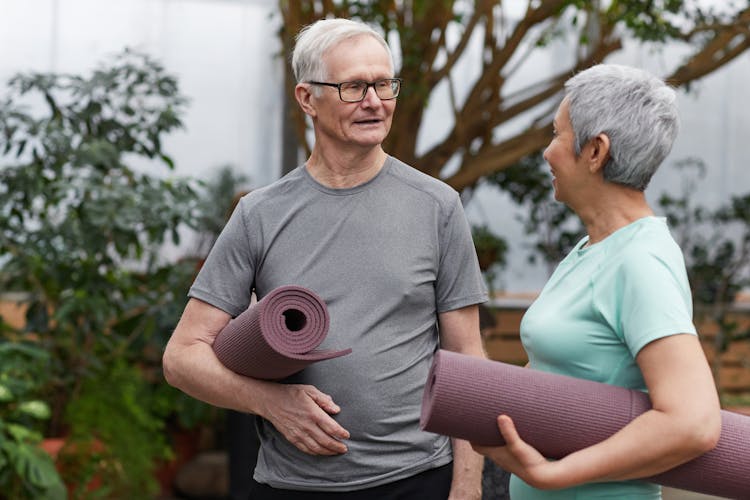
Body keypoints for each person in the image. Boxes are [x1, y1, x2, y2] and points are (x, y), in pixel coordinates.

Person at [162, 17, 488, 499]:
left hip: (417, 481)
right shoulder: (259, 214)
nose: (375, 101)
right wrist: (271, 402)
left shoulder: (437, 206)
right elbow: (181, 357)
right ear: (307, 98)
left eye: (384, 84)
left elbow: (467, 358)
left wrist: (467, 487)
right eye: (355, 86)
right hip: (291, 484)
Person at [472, 64, 722, 499]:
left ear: (595, 151)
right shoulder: (594, 248)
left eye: (557, 134)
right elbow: (566, 370)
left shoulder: (641, 261)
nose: (547, 152)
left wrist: (557, 474)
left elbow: (693, 421)